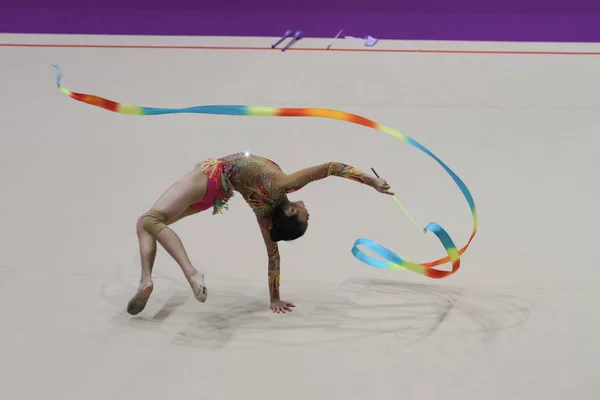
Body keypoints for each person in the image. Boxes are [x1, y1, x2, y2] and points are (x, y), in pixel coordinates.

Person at [127, 152, 394, 315]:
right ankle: (145, 281)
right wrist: (274, 298)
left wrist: (371, 181)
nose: (307, 211)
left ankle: (190, 272)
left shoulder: (283, 185)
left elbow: (332, 167)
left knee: (151, 219)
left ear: (291, 213)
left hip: (210, 176)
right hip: (215, 196)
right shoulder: (265, 214)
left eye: (306, 217)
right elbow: (273, 258)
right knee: (145, 223)